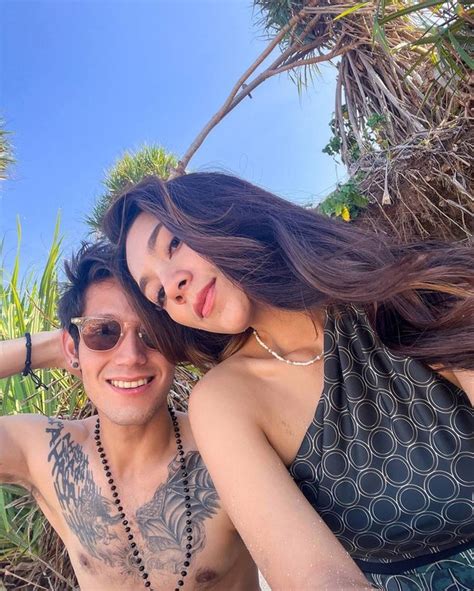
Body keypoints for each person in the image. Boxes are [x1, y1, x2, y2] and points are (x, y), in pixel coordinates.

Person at [102, 172, 474, 591]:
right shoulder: (226, 400)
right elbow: (315, 577)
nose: (174, 287)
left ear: (224, 211)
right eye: (157, 295)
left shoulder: (410, 290)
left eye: (173, 244)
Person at [0, 241, 259, 591]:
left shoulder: (227, 449)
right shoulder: (45, 452)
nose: (131, 356)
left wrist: (88, 342)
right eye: (103, 331)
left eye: (152, 333)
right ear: (72, 348)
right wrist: (50, 349)